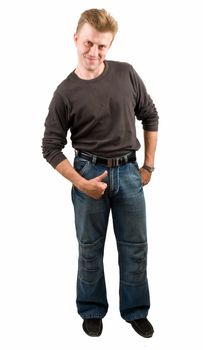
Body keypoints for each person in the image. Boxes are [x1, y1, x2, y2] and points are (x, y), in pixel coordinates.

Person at [42, 8, 158, 338]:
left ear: (110, 46)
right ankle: (92, 310)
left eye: (102, 46)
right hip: (88, 172)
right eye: (88, 43)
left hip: (129, 172)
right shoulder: (65, 92)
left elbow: (150, 115)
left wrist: (148, 165)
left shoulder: (126, 74)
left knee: (136, 248)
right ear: (76, 39)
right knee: (90, 249)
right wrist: (81, 182)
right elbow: (50, 146)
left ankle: (136, 311)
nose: (94, 52)